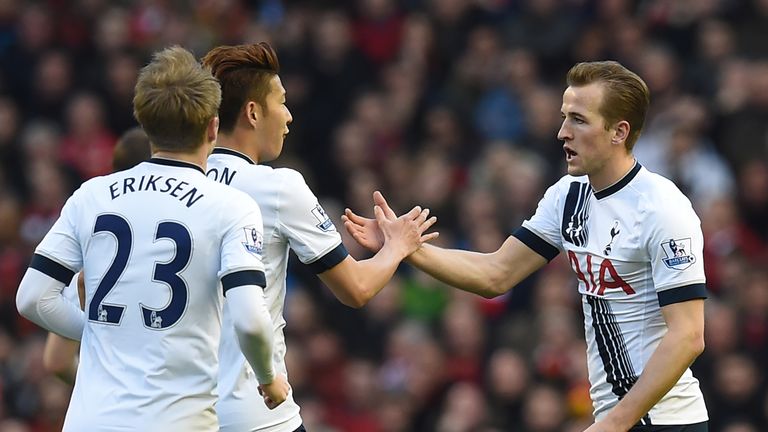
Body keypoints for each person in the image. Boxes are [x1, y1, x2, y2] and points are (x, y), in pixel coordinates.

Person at [344, 61, 709, 432]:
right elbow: (495, 273)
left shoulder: (663, 209)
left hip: (668, 422)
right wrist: (406, 248)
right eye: (564, 117)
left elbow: (688, 336)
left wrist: (617, 422)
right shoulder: (568, 195)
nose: (562, 133)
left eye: (579, 120)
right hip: (614, 419)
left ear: (619, 132)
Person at [17, 46, 289, 431]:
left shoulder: (91, 195)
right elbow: (249, 320)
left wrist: (102, 331)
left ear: (145, 125)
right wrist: (267, 378)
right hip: (177, 420)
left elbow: (31, 297)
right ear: (213, 127)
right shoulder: (232, 206)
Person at [201, 42, 437, 432]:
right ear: (253, 112)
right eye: (282, 102)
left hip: (177, 412)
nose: (289, 117)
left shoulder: (179, 188)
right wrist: (398, 246)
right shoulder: (276, 187)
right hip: (255, 410)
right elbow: (356, 288)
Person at [42, 126, 153, 383]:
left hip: (109, 408)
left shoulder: (95, 246)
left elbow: (56, 359)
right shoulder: (194, 234)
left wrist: (100, 386)